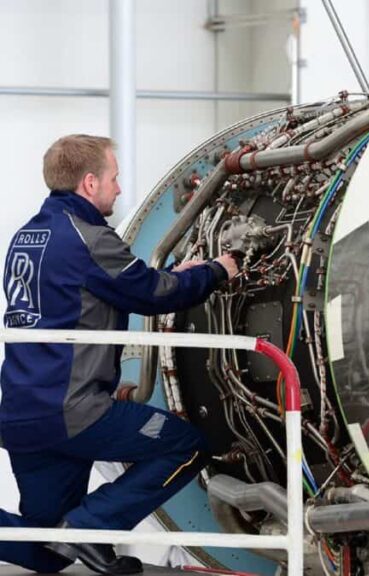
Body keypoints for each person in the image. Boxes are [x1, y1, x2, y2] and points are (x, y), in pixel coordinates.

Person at [0, 135, 239, 575]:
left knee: (48, 549)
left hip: (20, 415)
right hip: (75, 414)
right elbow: (151, 295)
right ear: (90, 183)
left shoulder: (26, 237)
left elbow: (99, 291)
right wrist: (216, 270)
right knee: (185, 446)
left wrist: (166, 276)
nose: (119, 188)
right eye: (114, 177)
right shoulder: (89, 238)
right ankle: (94, 526)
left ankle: (83, 533)